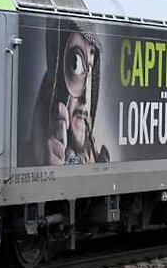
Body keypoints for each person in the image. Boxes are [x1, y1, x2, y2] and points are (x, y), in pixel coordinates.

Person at [30, 18, 110, 165]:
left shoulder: (97, 156)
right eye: (76, 64)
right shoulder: (29, 154)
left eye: (91, 68)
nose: (85, 99)